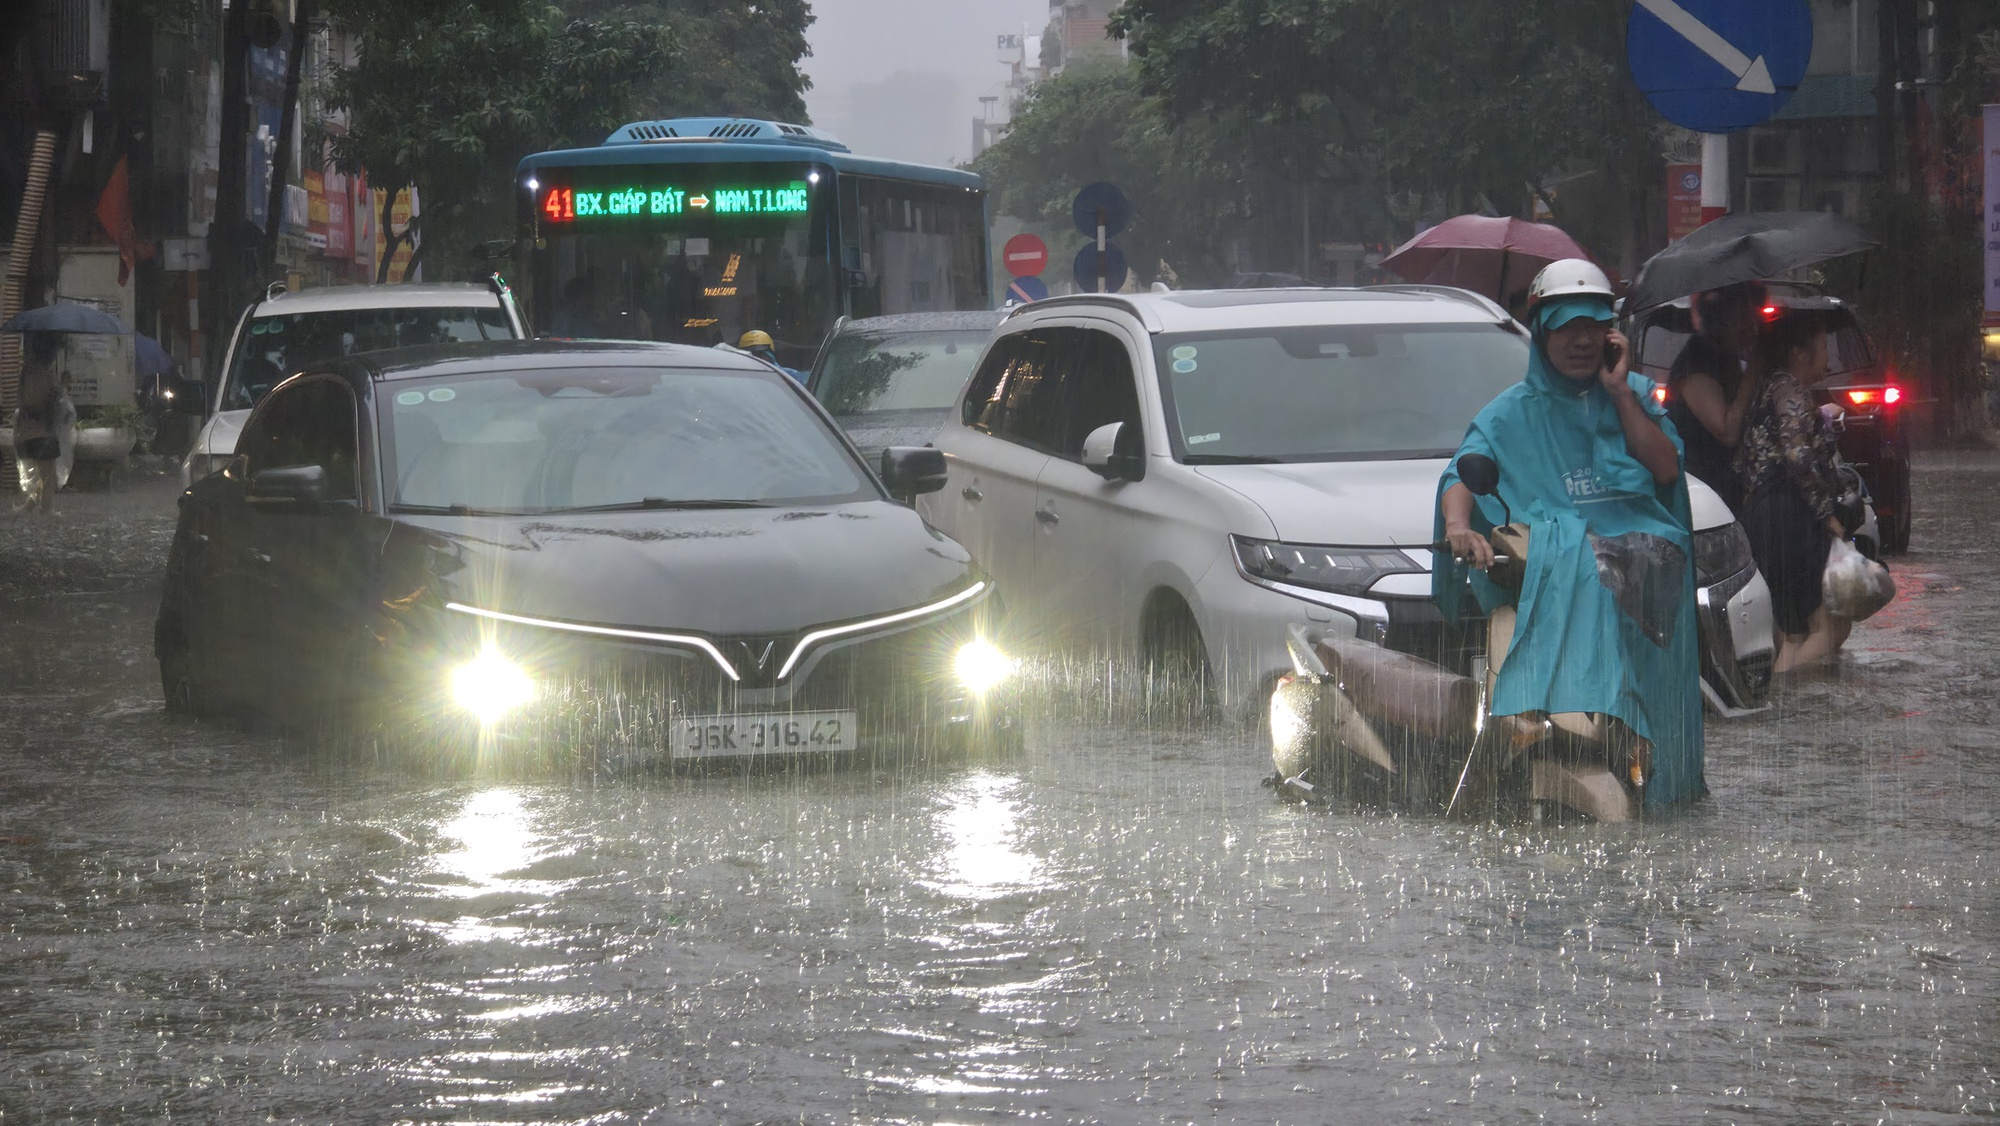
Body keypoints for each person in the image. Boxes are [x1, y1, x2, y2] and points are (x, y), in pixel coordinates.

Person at [1434, 259, 1704, 810]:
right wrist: (1459, 526)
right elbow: (1461, 472)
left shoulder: (1635, 396)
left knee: (1602, 563)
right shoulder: (1510, 413)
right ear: (1543, 332)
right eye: (1567, 327)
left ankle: (1655, 770)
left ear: (1611, 334)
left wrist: (1621, 392)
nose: (1581, 341)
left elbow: (1667, 471)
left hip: (1639, 568)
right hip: (1550, 566)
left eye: (1593, 328)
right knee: (1574, 558)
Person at [1737, 311, 1851, 674]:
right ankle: (1787, 696)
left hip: (1765, 514)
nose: (1827, 358)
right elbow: (1797, 456)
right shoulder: (1790, 392)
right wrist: (1826, 513)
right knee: (1831, 624)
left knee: (1791, 632)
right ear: (1799, 353)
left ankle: (1783, 708)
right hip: (1790, 514)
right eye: (1822, 348)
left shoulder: (1769, 388)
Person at [1665, 281, 1766, 515]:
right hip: (1701, 489)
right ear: (1719, 322)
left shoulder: (1727, 357)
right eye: (1741, 321)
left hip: (1730, 485)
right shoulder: (1697, 361)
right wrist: (1752, 373)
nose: (1752, 330)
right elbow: (1727, 432)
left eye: (1753, 319)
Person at [12, 332, 66, 514]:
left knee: (35, 472)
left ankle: (30, 505)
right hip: (42, 429)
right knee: (47, 474)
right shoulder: (42, 374)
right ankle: (46, 508)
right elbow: (36, 400)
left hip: (27, 430)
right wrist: (57, 391)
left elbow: (23, 399)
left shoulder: (27, 372)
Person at [738, 329, 805, 382]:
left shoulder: (791, 376)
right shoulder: (738, 378)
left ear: (770, 354)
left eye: (761, 354)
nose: (757, 359)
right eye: (752, 356)